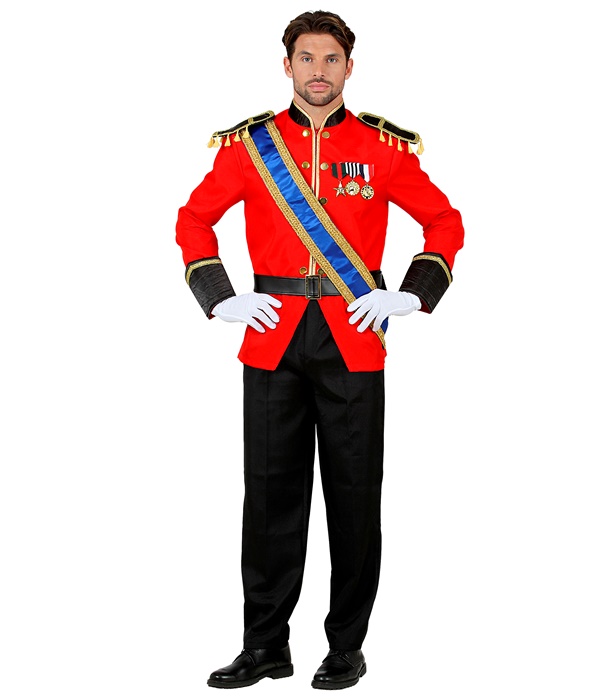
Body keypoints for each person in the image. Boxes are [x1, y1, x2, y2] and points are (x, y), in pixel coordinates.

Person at [175, 10, 464, 691]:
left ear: (349, 67)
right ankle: (264, 645)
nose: (318, 71)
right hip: (272, 334)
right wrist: (219, 295)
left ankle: (346, 647)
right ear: (287, 66)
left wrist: (413, 293)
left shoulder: (383, 148)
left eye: (331, 59)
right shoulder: (250, 148)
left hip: (353, 337)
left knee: (354, 499)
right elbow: (193, 220)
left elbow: (444, 221)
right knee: (269, 498)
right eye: (306, 58)